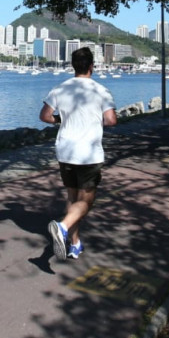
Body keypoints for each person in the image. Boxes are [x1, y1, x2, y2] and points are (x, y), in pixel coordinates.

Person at [39, 47, 117, 261]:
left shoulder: (59, 88)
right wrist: (94, 120)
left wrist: (60, 120)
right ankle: (62, 227)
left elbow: (45, 116)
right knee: (87, 201)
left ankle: (75, 244)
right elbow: (111, 120)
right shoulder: (101, 90)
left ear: (73, 65)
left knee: (73, 198)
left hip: (65, 151)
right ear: (92, 66)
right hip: (89, 153)